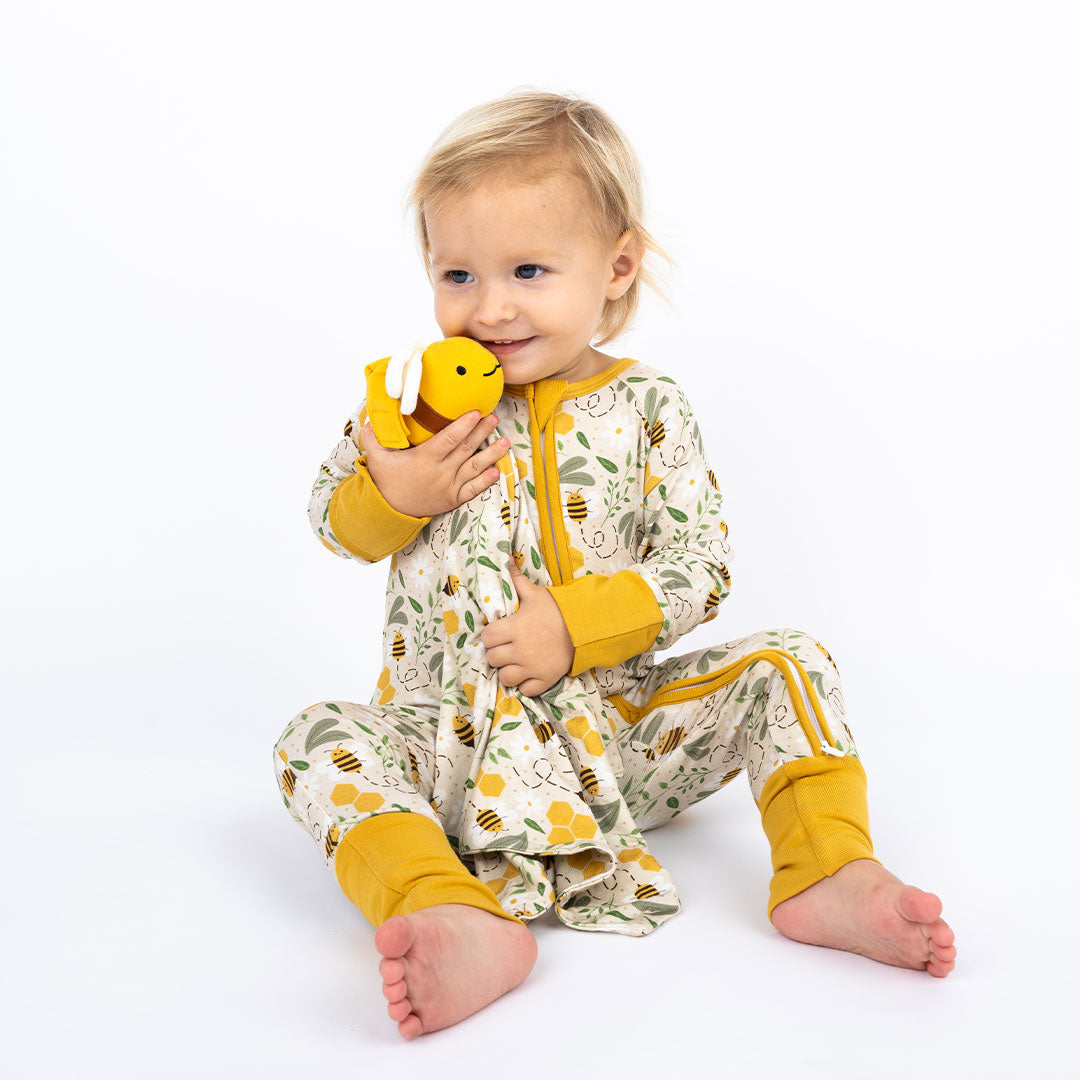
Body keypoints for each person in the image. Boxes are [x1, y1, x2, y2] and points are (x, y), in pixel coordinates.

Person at [274, 90, 956, 1040]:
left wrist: (573, 625)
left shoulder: (650, 410)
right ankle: (444, 907)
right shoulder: (412, 408)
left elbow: (699, 565)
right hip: (453, 752)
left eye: (528, 270)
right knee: (317, 738)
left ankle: (829, 869)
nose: (490, 307)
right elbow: (329, 522)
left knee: (789, 663)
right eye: (457, 273)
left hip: (623, 740)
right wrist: (396, 495)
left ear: (616, 265)